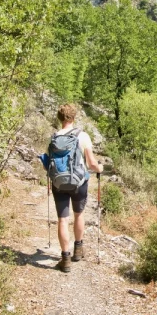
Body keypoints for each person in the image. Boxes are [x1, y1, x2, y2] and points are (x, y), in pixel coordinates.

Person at [50, 104, 103, 273]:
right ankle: (78, 251)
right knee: (79, 215)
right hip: (79, 182)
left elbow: (49, 164)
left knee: (63, 219)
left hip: (59, 183)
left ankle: (65, 259)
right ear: (74, 117)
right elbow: (92, 163)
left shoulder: (54, 137)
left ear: (60, 118)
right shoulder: (83, 136)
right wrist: (100, 169)